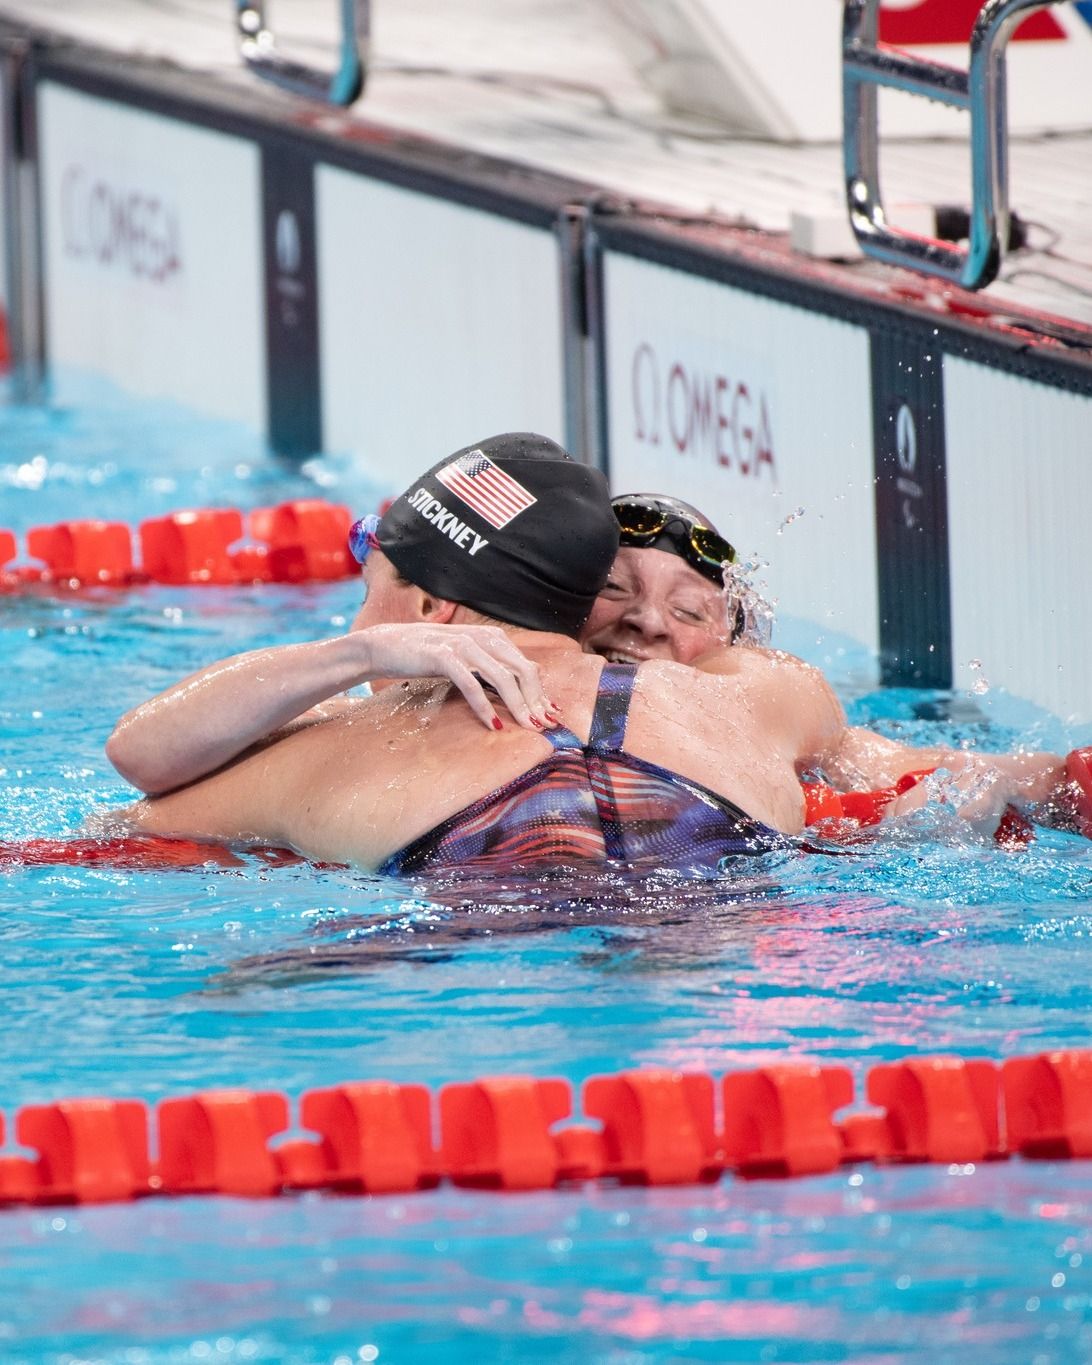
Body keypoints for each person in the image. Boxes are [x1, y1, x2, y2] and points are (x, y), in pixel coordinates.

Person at [106, 453, 1090, 852]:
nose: (651, 628)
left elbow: (131, 805)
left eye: (688, 608)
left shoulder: (759, 695)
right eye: (613, 595)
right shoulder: (762, 709)